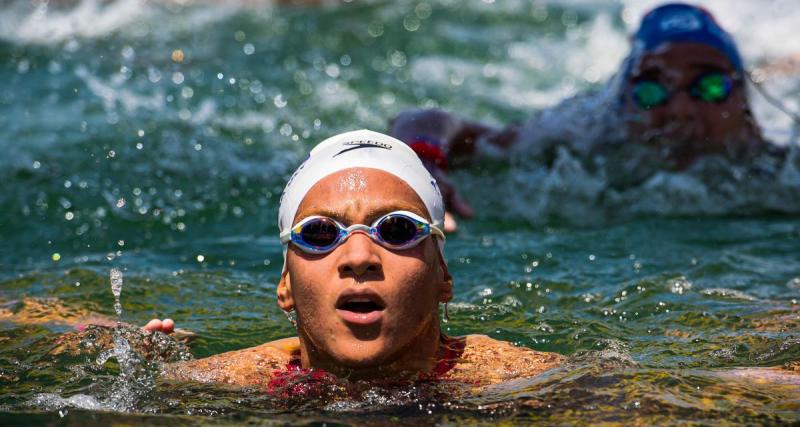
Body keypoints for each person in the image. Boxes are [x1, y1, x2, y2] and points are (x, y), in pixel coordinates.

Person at [150, 129, 565, 389]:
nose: (360, 256)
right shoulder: (219, 384)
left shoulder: (526, 383)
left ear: (444, 276)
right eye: (319, 233)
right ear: (285, 286)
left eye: (398, 230)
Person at [389, 2, 765, 227]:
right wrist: (424, 159)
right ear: (624, 104)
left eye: (710, 87)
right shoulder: (580, 149)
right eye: (652, 89)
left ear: (744, 101)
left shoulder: (781, 173)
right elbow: (422, 120)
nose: (680, 110)